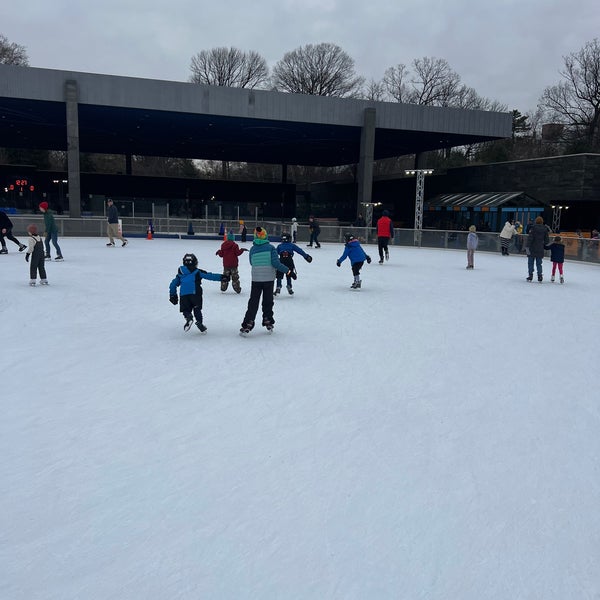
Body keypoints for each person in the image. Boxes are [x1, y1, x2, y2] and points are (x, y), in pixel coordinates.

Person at [240, 226, 293, 335]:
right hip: (268, 279)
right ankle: (267, 319)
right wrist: (288, 271)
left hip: (256, 279)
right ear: (265, 235)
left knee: (253, 301)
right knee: (268, 300)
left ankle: (248, 322)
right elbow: (276, 264)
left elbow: (251, 262)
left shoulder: (253, 249)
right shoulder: (270, 248)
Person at [169, 253, 225, 333]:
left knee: (186, 309)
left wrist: (172, 295)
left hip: (184, 295)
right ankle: (199, 322)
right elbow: (209, 276)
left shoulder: (180, 274)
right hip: (195, 293)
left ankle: (188, 317)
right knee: (197, 308)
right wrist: (222, 277)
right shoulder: (197, 272)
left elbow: (173, 284)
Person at [526, 216, 549, 282]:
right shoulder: (545, 229)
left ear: (536, 221)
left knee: (530, 263)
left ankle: (530, 275)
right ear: (542, 222)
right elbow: (547, 241)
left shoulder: (533, 228)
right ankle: (540, 276)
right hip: (540, 248)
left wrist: (527, 246)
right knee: (539, 263)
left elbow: (530, 239)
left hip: (532, 248)